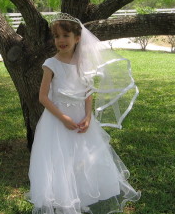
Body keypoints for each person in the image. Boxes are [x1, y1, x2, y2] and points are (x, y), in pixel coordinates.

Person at [27, 13, 141, 214]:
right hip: (57, 121)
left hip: (81, 119)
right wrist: (63, 118)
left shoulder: (83, 62)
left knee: (84, 159)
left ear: (77, 38)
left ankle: (81, 197)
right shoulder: (51, 64)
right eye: (57, 37)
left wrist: (88, 117)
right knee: (61, 160)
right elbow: (43, 97)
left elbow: (88, 93)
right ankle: (64, 200)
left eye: (66, 36)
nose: (61, 41)